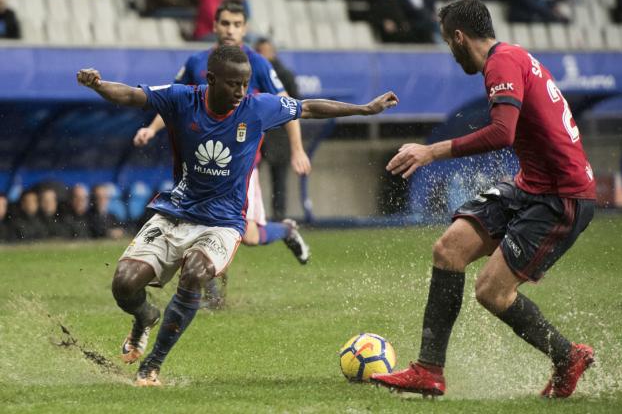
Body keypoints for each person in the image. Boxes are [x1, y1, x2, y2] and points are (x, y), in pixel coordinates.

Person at [76, 44, 399, 386]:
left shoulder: (258, 107)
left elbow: (308, 107)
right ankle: (145, 318)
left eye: (245, 84)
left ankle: (152, 365)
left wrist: (365, 109)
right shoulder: (181, 99)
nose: (240, 92)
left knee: (196, 274)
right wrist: (98, 85)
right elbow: (130, 96)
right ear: (211, 79)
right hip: (177, 211)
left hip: (223, 222)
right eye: (233, 84)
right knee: (124, 284)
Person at [370, 0, 596, 399]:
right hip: (531, 185)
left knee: (492, 293)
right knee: (449, 248)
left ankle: (566, 356)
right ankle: (428, 371)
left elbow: (502, 133)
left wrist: (431, 151)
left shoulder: (502, 63)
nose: (450, 52)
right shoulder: (509, 58)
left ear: (459, 37)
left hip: (562, 196)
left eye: (447, 42)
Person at [133, 0, 312, 310]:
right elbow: (174, 101)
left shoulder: (257, 64)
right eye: (225, 23)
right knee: (203, 222)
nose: (230, 30)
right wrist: (151, 128)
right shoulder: (196, 62)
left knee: (250, 236)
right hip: (201, 161)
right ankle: (213, 294)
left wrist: (297, 148)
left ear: (245, 28)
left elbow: (289, 107)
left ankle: (285, 229)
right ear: (214, 26)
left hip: (240, 166)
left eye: (237, 24)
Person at [255, 37, 299, 221]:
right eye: (260, 51)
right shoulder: (251, 71)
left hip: (278, 134)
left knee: (279, 180)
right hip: (257, 133)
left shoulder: (284, 75)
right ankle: (252, 215)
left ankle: (279, 216)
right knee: (250, 177)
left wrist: (297, 147)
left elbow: (295, 106)